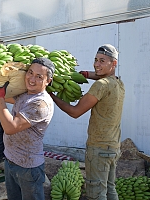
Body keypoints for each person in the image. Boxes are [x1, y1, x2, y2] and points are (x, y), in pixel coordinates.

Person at [49, 44, 125, 200]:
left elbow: (75, 112)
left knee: (96, 193)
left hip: (99, 148)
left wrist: (51, 95)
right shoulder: (118, 83)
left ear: (114, 63)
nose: (96, 64)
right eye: (96, 60)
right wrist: (86, 74)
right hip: (113, 146)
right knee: (109, 189)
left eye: (102, 61)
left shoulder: (100, 86)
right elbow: (102, 76)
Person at [0, 57, 55, 200]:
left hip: (28, 168)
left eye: (39, 77)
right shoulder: (25, 95)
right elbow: (10, 98)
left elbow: (10, 127)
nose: (31, 79)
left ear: (48, 81)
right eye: (30, 73)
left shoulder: (41, 104)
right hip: (11, 161)